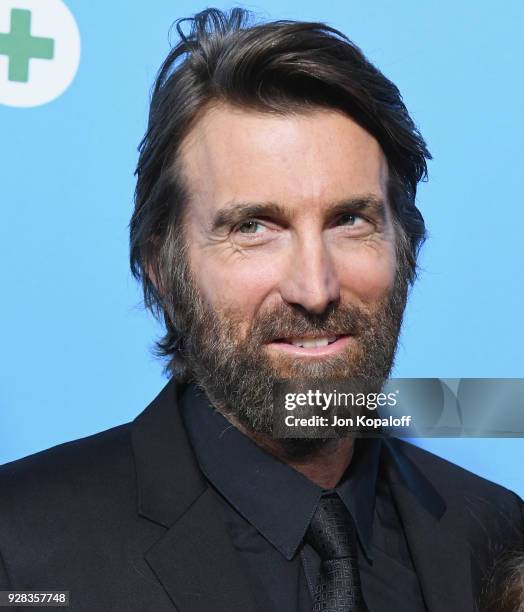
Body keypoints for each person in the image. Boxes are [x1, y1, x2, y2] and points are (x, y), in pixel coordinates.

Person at [0, 8, 521, 612]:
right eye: (254, 227)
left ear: (405, 244)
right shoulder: (23, 552)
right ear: (162, 269)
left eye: (350, 221)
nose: (315, 287)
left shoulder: (492, 530)